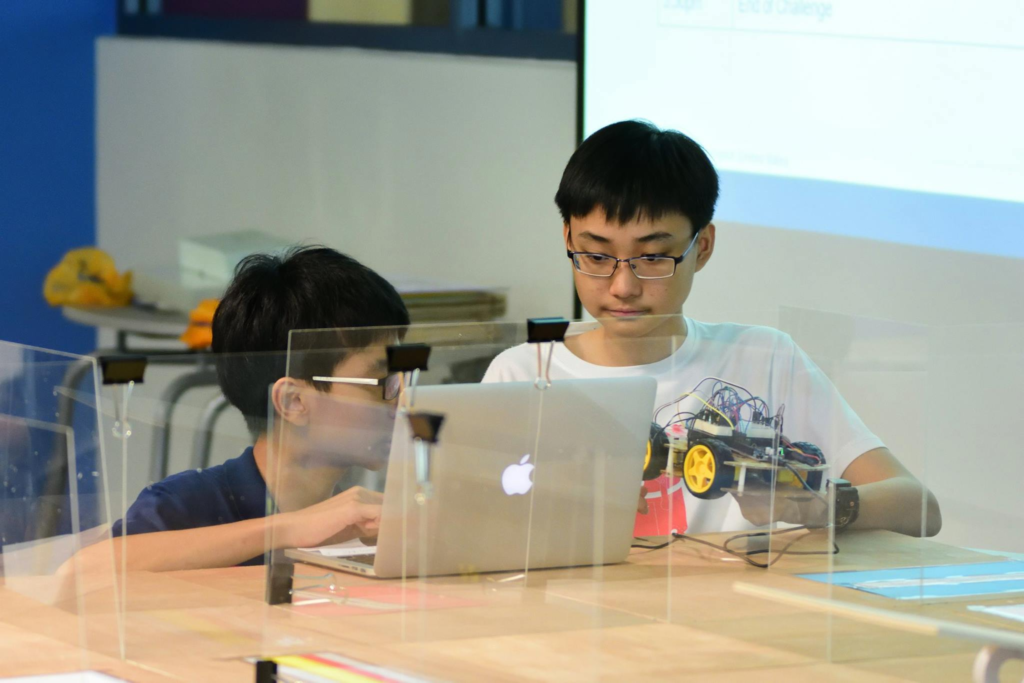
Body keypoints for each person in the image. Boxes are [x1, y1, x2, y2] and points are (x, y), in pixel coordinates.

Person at [483, 120, 941, 537]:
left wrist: (817, 505)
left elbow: (918, 506)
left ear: (702, 247)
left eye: (653, 257)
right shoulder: (522, 372)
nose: (623, 286)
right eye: (597, 256)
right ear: (568, 238)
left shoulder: (762, 358)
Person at [68, 246, 410, 572]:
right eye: (385, 382)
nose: (403, 400)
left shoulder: (364, 522)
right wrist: (289, 529)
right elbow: (84, 569)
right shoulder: (188, 504)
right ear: (293, 402)